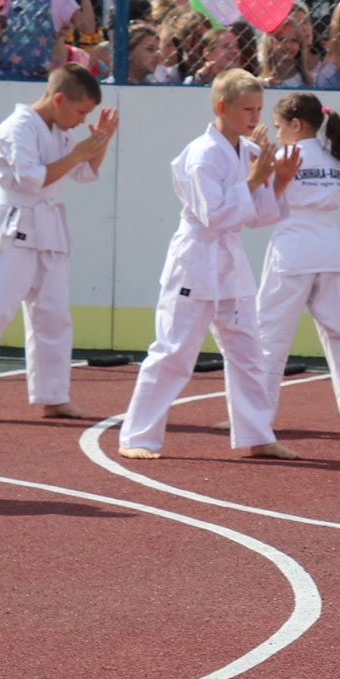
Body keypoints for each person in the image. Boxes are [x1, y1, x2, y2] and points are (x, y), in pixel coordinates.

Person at [117, 69, 301, 460]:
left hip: (229, 264)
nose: (255, 117)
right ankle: (137, 437)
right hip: (196, 259)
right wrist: (254, 181)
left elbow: (255, 216)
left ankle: (257, 434)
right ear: (222, 107)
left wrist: (278, 182)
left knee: (248, 352)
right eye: (247, 109)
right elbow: (213, 214)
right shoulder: (201, 154)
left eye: (259, 109)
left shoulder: (247, 151)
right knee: (174, 352)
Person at [0, 67, 116, 420]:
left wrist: (100, 142)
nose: (82, 120)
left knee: (53, 316)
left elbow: (83, 173)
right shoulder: (16, 128)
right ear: (59, 99)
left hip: (49, 229)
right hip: (13, 225)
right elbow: (31, 180)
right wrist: (79, 153)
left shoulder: (61, 131)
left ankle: (53, 396)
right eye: (80, 111)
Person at [254, 92, 340, 432]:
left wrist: (256, 157)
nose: (277, 133)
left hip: (293, 248)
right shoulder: (335, 158)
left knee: (270, 334)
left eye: (279, 126)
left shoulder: (284, 156)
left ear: (296, 124)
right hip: (330, 249)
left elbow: (260, 201)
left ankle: (254, 416)